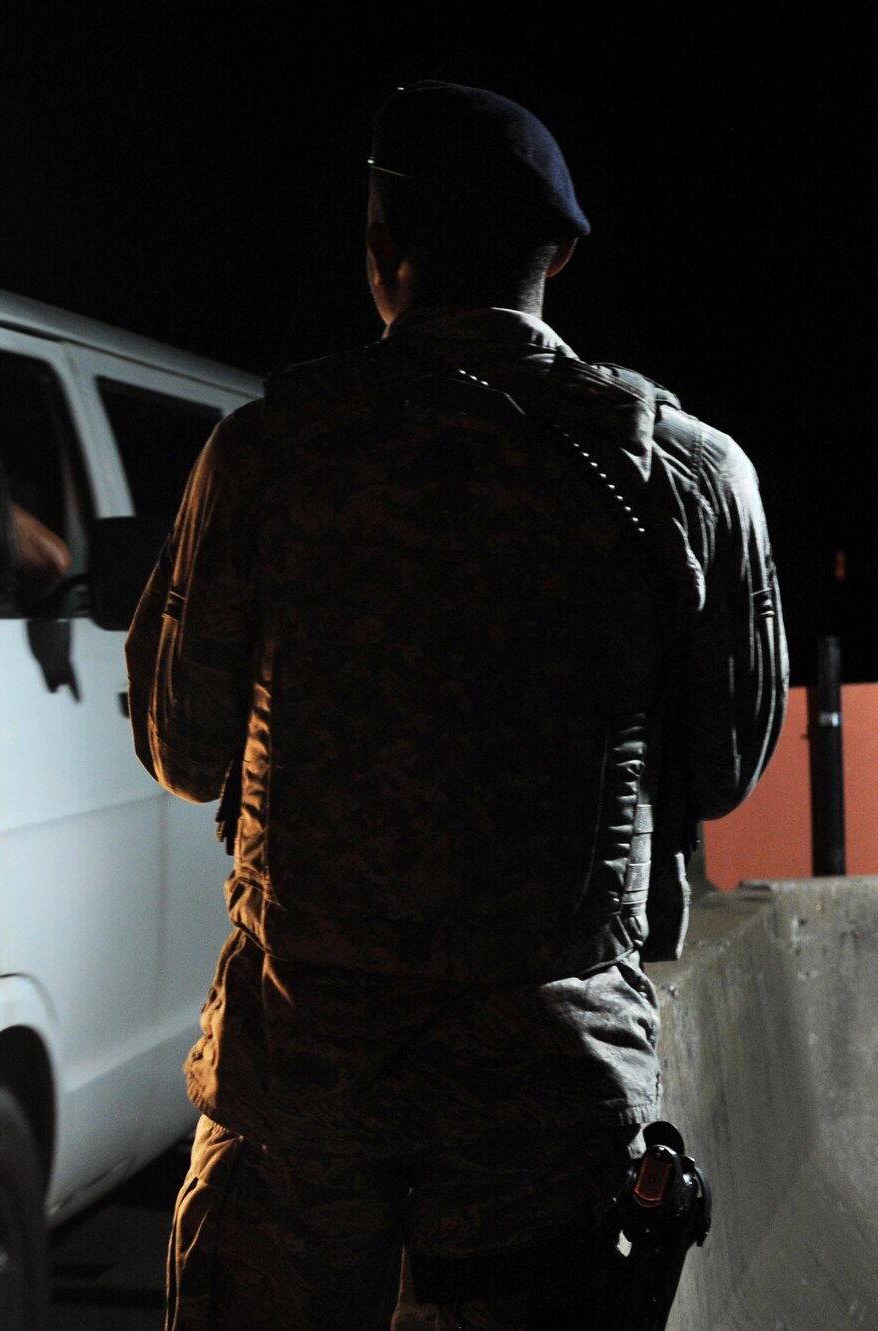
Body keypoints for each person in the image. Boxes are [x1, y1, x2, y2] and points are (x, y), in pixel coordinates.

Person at [125, 81, 785, 1330]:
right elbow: (723, 766)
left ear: (381, 256)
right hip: (546, 1094)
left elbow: (181, 746)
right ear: (562, 253)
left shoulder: (265, 456)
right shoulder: (688, 474)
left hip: (301, 1086)